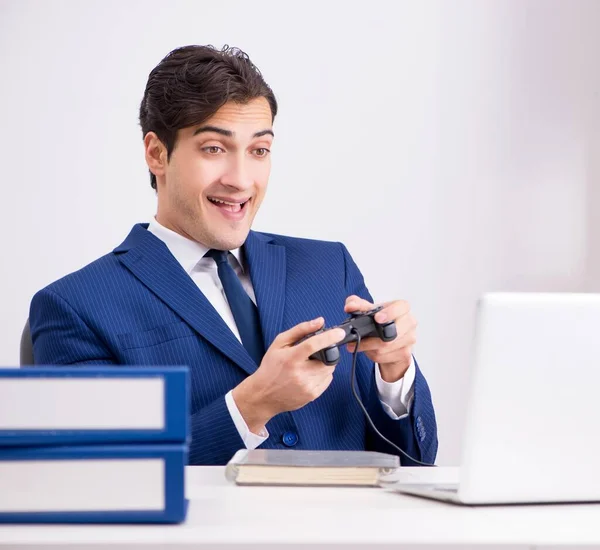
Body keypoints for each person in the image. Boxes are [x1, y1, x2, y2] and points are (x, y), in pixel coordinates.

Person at [29, 45, 437, 466]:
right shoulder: (74, 305)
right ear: (156, 154)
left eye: (258, 150)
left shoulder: (330, 267)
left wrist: (395, 374)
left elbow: (412, 465)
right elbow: (95, 477)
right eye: (214, 149)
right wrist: (250, 407)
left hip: (346, 530)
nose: (241, 181)